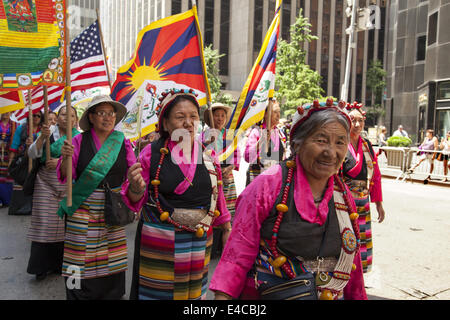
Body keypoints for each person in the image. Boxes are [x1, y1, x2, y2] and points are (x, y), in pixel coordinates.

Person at [210, 99, 367, 300]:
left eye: (340, 142)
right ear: (297, 144)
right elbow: (237, 254)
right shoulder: (267, 185)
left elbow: (353, 265)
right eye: (320, 140)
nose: (330, 152)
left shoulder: (343, 195)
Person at [121, 88, 232, 300]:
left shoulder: (208, 155)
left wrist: (227, 228)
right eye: (180, 117)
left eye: (193, 117)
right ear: (165, 123)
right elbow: (134, 199)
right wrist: (136, 189)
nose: (188, 123)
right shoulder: (152, 153)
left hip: (199, 240)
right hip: (159, 240)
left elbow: (218, 198)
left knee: (193, 294)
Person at [58, 95, 136, 300]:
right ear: (91, 117)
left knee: (113, 256)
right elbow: (67, 176)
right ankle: (75, 293)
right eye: (101, 113)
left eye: (111, 113)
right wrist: (66, 157)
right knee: (77, 254)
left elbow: (132, 174)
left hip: (113, 206)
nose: (107, 117)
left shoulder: (122, 143)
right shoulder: (77, 141)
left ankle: (111, 294)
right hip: (83, 206)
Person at [26, 106, 79, 281]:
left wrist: (59, 162)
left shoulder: (79, 137)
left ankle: (59, 264)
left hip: (67, 184)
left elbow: (81, 162)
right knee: (44, 223)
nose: (68, 118)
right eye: (64, 114)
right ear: (57, 117)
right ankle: (40, 266)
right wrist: (42, 137)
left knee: (64, 224)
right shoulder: (48, 133)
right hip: (45, 183)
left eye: (72, 115)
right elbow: (32, 153)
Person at [342, 102, 385, 274]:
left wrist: (379, 203)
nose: (357, 124)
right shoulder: (341, 142)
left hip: (363, 199)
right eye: (353, 120)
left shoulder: (366, 145)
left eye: (360, 120)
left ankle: (359, 272)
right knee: (346, 237)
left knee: (362, 237)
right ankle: (344, 271)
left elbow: (376, 175)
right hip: (344, 200)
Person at [203, 102, 241, 259]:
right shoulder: (205, 134)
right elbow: (199, 153)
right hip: (211, 177)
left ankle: (223, 247)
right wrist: (206, 142)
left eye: (222, 115)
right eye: (216, 115)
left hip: (227, 177)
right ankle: (211, 245)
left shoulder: (230, 134)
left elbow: (237, 154)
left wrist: (229, 168)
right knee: (212, 210)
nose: (220, 118)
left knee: (228, 212)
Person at [244, 99, 287, 185]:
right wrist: (261, 142)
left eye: (279, 111)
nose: (278, 115)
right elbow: (247, 157)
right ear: (265, 114)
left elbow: (283, 158)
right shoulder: (256, 132)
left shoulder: (280, 133)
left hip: (274, 179)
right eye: (275, 112)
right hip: (258, 179)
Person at [8, 111, 43, 215]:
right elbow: (14, 146)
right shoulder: (21, 128)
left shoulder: (44, 130)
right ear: (28, 117)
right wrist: (10, 163)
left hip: (38, 161)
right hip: (22, 161)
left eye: (38, 116)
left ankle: (35, 208)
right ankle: (19, 208)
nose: (36, 117)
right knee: (20, 183)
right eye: (33, 115)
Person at [0, 112, 16, 207]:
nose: (6, 113)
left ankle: (7, 200)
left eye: (8, 111)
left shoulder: (14, 124)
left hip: (9, 154)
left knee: (7, 176)